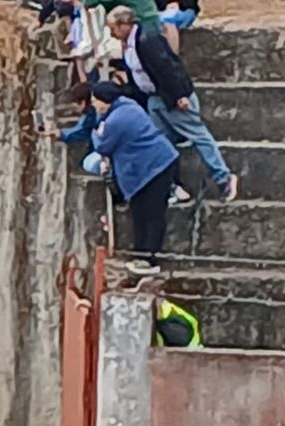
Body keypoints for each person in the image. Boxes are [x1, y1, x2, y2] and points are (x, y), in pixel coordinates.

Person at [107, 7, 236, 202]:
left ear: (125, 25)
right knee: (161, 143)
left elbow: (168, 67)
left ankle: (223, 177)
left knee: (198, 135)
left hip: (171, 97)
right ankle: (171, 186)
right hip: (154, 99)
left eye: (113, 29)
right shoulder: (131, 45)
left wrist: (179, 95)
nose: (112, 34)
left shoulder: (147, 40)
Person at [90, 81, 179, 275]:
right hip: (151, 164)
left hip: (156, 166)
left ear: (105, 101)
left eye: (95, 101)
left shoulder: (117, 120)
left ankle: (150, 259)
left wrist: (95, 132)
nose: (93, 105)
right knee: (139, 211)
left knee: (152, 213)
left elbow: (102, 145)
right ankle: (140, 254)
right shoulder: (128, 105)